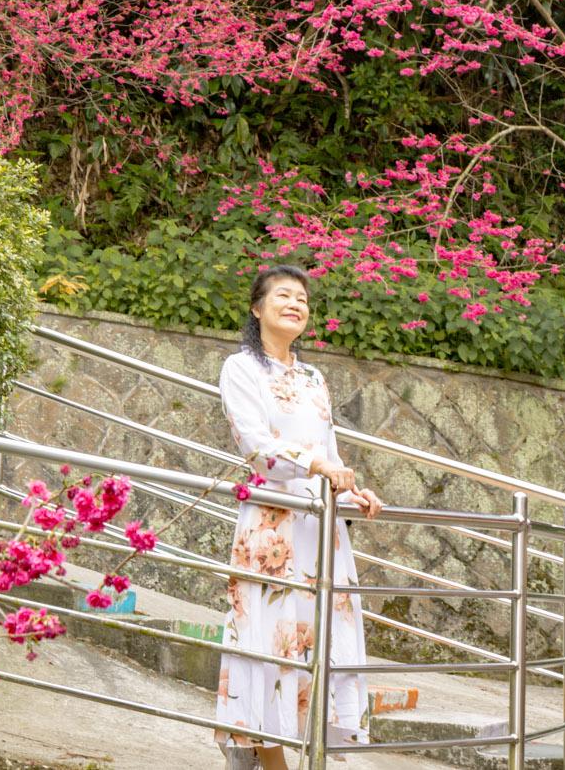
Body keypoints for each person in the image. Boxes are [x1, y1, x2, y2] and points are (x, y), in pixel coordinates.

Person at [213, 266, 384, 769]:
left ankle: (309, 757)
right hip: (272, 524)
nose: (295, 304)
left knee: (319, 641)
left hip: (319, 528)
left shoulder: (313, 378)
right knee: (270, 641)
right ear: (257, 308)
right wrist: (316, 465)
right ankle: (276, 764)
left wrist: (352, 493)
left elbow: (329, 452)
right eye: (283, 295)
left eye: (303, 298)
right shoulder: (241, 368)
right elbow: (256, 445)